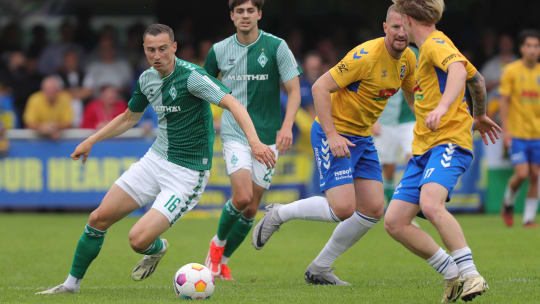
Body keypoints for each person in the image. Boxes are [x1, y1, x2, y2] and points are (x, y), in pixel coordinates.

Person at [36, 23, 275, 295]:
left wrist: (254, 142)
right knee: (98, 218)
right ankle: (70, 286)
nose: (157, 55)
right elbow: (129, 117)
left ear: (174, 47)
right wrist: (91, 140)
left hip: (187, 175)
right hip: (155, 161)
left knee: (137, 240)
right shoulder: (147, 79)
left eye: (163, 49)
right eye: (151, 50)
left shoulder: (192, 76)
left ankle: (157, 248)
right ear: (145, 50)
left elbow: (233, 104)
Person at [252, 5, 417, 286]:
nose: (401, 34)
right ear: (385, 28)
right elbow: (319, 87)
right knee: (342, 209)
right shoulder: (364, 56)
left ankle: (320, 268)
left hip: (362, 137)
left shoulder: (409, 59)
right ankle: (279, 213)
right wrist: (331, 135)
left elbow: (412, 96)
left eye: (406, 28)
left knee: (374, 209)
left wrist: (428, 124)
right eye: (396, 27)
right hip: (335, 132)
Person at [384, 0, 501, 302]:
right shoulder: (427, 49)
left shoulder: (436, 43)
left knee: (431, 204)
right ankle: (451, 271)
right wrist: (480, 114)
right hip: (424, 148)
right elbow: (476, 78)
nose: (399, 28)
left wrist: (444, 106)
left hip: (448, 141)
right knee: (395, 221)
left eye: (400, 21)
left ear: (408, 19)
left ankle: (472, 274)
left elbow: (459, 74)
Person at [203, 0, 301, 281]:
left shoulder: (276, 46)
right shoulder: (219, 50)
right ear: (232, 16)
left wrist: (286, 127)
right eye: (239, 11)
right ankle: (217, 247)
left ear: (259, 14)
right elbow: (201, 86)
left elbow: (293, 91)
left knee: (251, 207)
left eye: (250, 11)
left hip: (269, 136)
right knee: (242, 196)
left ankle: (223, 263)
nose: (245, 16)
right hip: (234, 133)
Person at [500, 29, 540, 228]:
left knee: (535, 175)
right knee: (522, 174)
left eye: (536, 46)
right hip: (517, 133)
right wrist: (506, 131)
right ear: (522, 48)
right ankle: (508, 203)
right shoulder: (511, 71)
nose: (533, 50)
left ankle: (528, 219)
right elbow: (504, 102)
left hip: (537, 134)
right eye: (529, 46)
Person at [373, 46, 418, 203]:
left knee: (413, 156)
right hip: (385, 120)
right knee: (388, 167)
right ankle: (392, 201)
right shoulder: (379, 56)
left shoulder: (415, 53)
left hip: (409, 119)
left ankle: (407, 198)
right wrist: (373, 121)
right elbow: (369, 90)